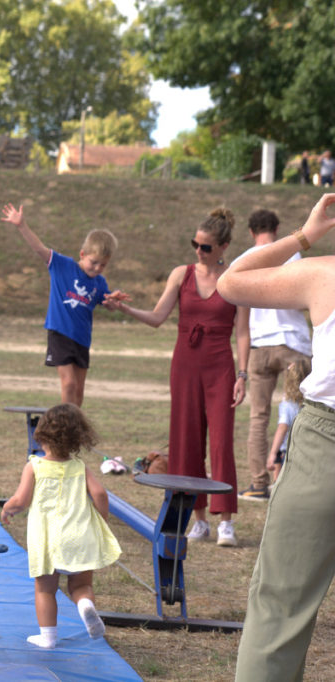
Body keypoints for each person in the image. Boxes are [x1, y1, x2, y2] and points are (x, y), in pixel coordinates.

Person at [216, 193, 335, 681]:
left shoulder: (325, 273)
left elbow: (231, 281)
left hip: (324, 446)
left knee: (279, 611)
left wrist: (305, 236)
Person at [106, 208, 249, 546]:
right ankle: (197, 519)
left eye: (206, 247)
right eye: (195, 245)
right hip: (185, 363)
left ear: (224, 247)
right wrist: (124, 308)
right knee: (186, 442)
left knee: (222, 443)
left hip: (220, 366)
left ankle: (225, 521)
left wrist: (243, 374)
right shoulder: (180, 274)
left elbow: (242, 332)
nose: (199, 252)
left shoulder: (235, 280)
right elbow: (157, 317)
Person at [1, 403, 121, 649]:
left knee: (45, 589)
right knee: (81, 584)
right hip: (79, 535)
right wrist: (102, 520)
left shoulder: (34, 465)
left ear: (42, 435)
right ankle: (85, 605)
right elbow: (100, 494)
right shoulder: (80, 467)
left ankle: (48, 637)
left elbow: (21, 500)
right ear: (79, 438)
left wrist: (7, 508)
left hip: (48, 540)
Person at [0, 203, 129, 407]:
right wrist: (21, 225)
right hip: (60, 334)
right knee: (68, 383)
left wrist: (114, 300)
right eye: (93, 262)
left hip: (82, 340)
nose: (97, 268)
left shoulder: (99, 282)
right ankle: (65, 427)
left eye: (103, 265)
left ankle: (75, 432)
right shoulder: (62, 265)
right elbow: (38, 248)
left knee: (78, 390)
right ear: (82, 254)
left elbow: (108, 304)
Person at [233, 209, 311, 501]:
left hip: (259, 346)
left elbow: (240, 319)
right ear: (276, 230)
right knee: (302, 414)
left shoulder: (242, 261)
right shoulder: (290, 256)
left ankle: (257, 483)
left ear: (252, 232)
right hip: (293, 345)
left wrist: (241, 366)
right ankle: (294, 480)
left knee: (259, 417)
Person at [266, 359, 310, 481]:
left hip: (287, 452)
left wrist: (273, 453)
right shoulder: (311, 402)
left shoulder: (287, 404)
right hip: (307, 450)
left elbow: (283, 428)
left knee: (280, 484)